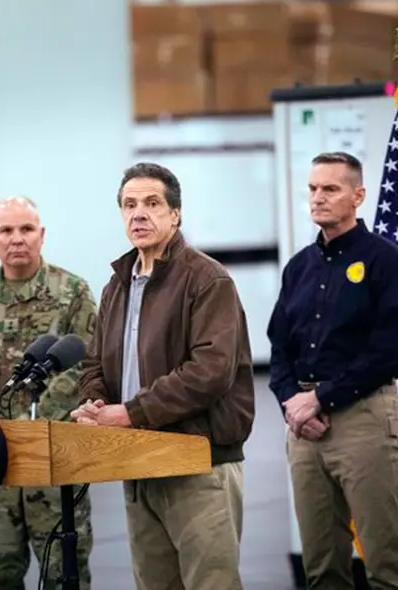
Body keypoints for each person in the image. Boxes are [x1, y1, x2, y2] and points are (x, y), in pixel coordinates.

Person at [71, 162, 256, 590]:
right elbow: (95, 363)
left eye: (152, 203)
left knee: (212, 584)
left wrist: (132, 412)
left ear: (176, 214)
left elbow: (209, 372)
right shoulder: (116, 286)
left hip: (199, 463)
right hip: (138, 462)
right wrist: (96, 401)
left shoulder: (208, 279)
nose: (139, 214)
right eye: (129, 205)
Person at [268, 152, 398, 590]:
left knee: (388, 563)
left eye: (330, 189)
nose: (318, 198)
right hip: (303, 425)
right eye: (313, 189)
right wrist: (291, 402)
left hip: (363, 419)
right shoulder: (299, 267)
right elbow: (280, 348)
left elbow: (389, 351)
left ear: (358, 196)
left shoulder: (385, 261)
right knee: (321, 569)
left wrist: (320, 398)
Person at [0, 196, 97, 590]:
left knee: (64, 576)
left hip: (53, 462)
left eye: (26, 229)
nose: (17, 239)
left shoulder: (73, 293)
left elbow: (87, 357)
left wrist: (34, 420)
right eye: (7, 231)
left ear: (41, 236)